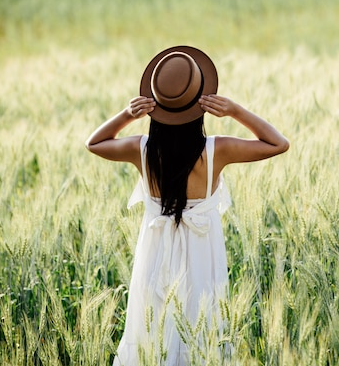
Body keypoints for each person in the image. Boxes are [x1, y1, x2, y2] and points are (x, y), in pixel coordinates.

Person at [85, 46, 289, 365]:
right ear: (201, 106)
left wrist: (129, 114)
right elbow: (278, 143)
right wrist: (234, 110)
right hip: (202, 256)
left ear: (156, 108)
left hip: (154, 253)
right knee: (201, 329)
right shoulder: (216, 150)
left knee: (151, 331)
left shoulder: (142, 149)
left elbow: (94, 143)